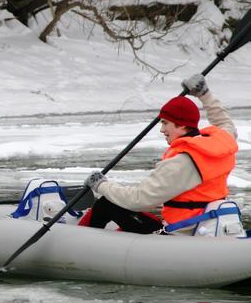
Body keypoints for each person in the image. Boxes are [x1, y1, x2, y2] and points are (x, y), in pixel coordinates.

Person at [82, 74, 238, 234]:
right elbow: (224, 123)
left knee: (107, 203)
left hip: (179, 233)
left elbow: (139, 199)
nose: (162, 129)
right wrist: (204, 94)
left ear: (183, 126)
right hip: (207, 225)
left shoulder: (182, 162)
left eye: (165, 123)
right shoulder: (220, 143)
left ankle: (83, 240)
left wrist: (101, 185)